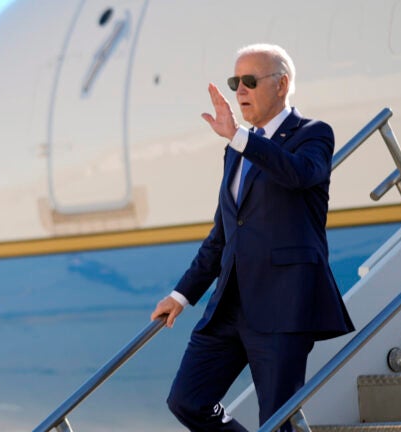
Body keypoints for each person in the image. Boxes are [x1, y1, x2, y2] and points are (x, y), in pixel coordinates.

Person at [150, 43, 354, 431]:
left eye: (249, 81)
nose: (239, 90)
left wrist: (241, 138)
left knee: (278, 420)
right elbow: (223, 234)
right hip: (230, 304)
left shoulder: (312, 134)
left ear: (282, 85)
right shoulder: (236, 151)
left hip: (283, 305)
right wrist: (182, 294)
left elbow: (298, 174)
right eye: (235, 82)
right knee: (187, 400)